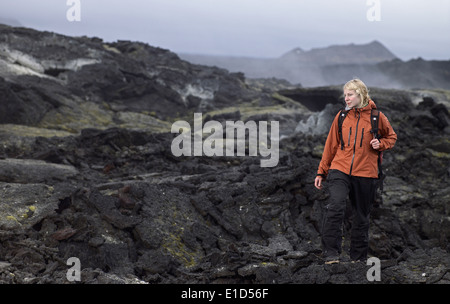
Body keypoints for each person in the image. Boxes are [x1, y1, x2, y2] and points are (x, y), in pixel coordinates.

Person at [314, 79, 397, 264]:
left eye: (350, 95)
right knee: (336, 206)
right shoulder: (341, 116)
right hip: (340, 168)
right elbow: (331, 145)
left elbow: (391, 137)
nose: (347, 98)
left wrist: (380, 143)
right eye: (345, 95)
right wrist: (322, 172)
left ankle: (357, 260)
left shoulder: (377, 117)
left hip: (366, 172)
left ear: (361, 94)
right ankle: (331, 254)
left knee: (361, 216)